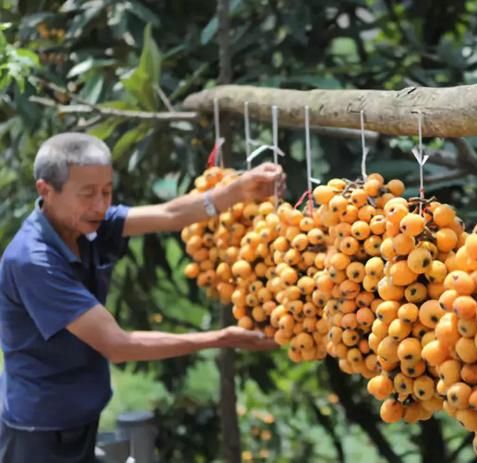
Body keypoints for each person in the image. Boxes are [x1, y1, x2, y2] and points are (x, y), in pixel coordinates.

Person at [0, 132, 283, 462]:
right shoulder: (35, 261)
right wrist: (220, 338)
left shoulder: (86, 223)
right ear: (45, 191)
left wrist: (238, 190)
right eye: (88, 194)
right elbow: (118, 345)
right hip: (39, 430)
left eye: (107, 191)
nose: (101, 205)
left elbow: (170, 215)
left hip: (76, 412)